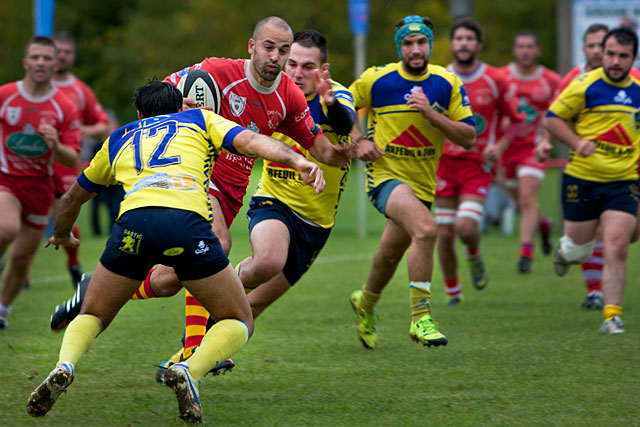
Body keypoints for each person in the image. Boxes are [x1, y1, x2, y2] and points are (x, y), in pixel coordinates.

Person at [49, 16, 350, 368]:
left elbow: (321, 148)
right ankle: (194, 349)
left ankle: (96, 291)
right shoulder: (214, 72)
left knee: (167, 281)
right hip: (195, 176)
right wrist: (182, 110)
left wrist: (342, 152)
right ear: (252, 46)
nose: (276, 57)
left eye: (283, 51)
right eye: (269, 47)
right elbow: (157, 99)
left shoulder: (289, 96)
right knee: (218, 244)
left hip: (233, 192)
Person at [26, 81, 325, 423]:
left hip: (134, 224)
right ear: (179, 107)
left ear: (140, 113)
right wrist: (296, 160)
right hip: (185, 225)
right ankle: (191, 369)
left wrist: (63, 234)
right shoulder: (198, 119)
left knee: (94, 313)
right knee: (239, 319)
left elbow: (72, 197)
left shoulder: (120, 136)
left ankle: (65, 364)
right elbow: (253, 141)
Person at [348, 15, 476, 348]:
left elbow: (469, 137)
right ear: (399, 47)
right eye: (408, 43)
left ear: (430, 45)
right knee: (427, 229)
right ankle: (421, 318)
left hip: (422, 185)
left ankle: (366, 304)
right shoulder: (378, 79)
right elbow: (343, 107)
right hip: (385, 176)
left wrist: (432, 114)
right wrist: (359, 139)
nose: (416, 50)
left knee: (388, 257)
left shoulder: (447, 83)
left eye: (421, 43)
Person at [543, 26, 639, 335]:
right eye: (610, 54)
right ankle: (566, 250)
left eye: (622, 56)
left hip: (624, 180)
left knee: (618, 244)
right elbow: (552, 119)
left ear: (633, 58)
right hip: (582, 179)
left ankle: (611, 316)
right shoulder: (584, 85)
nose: (614, 61)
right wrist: (576, 142)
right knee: (578, 250)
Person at [435, 18, 522, 305]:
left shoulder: (496, 80)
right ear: (452, 43)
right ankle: (453, 292)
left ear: (478, 45)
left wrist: (500, 145)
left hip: (477, 165)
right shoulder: (440, 77)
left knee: (466, 228)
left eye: (469, 39)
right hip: (444, 163)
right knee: (444, 234)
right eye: (458, 38)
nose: (463, 43)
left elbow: (516, 120)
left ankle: (473, 254)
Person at [0, 36, 81, 330]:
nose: (41, 63)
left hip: (39, 186)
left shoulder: (63, 107)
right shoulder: (6, 95)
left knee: (22, 259)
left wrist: (55, 144)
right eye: (35, 57)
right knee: (6, 228)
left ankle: (2, 310)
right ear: (26, 62)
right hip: (5, 179)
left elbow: (72, 158)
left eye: (47, 58)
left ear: (55, 64)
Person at [498, 30, 561, 274]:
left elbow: (557, 114)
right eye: (521, 46)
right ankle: (544, 224)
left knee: (526, 200)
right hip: (506, 148)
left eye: (529, 47)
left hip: (533, 148)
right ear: (515, 50)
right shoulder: (502, 77)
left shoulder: (551, 80)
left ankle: (526, 253)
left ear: (537, 50)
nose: (525, 51)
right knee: (521, 203)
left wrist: (545, 140)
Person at [51, 32, 110, 285]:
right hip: (28, 163)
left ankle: (74, 264)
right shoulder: (29, 90)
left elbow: (103, 125)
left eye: (66, 51)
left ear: (72, 57)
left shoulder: (80, 91)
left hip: (65, 162)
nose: (61, 55)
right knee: (14, 220)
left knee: (64, 214)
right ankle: (18, 267)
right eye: (58, 51)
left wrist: (78, 131)